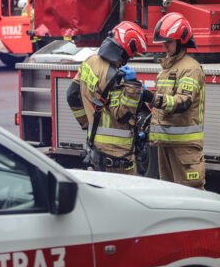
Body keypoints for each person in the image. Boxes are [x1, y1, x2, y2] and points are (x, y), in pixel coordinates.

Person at [66, 21, 150, 174]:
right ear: (124, 49)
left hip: (95, 149)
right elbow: (123, 115)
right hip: (119, 158)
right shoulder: (116, 77)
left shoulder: (89, 62)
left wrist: (88, 123)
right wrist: (133, 87)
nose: (130, 58)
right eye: (131, 54)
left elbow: (72, 95)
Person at [147, 12, 206, 189]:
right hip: (166, 143)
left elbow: (182, 102)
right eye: (163, 42)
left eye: (169, 42)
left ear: (181, 41)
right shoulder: (167, 68)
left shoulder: (190, 69)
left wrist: (153, 99)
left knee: (192, 193)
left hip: (184, 147)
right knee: (170, 194)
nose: (165, 46)